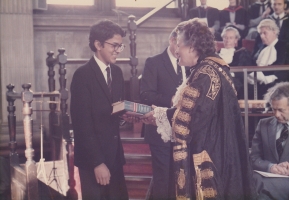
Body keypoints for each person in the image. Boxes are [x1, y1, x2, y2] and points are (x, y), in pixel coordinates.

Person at [141, 18, 256, 200]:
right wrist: (160, 114)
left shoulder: (205, 74)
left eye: (179, 45)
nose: (177, 50)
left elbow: (190, 119)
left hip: (211, 155)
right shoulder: (213, 68)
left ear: (192, 47)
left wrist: (159, 115)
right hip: (219, 150)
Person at [70, 19, 128, 200]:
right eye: (114, 45)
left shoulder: (117, 73)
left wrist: (126, 116)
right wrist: (98, 163)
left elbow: (113, 111)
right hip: (93, 161)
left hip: (115, 158)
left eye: (121, 46)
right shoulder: (82, 75)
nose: (118, 50)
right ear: (98, 44)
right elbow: (82, 125)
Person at [140, 26, 186, 200]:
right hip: (160, 130)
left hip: (183, 130)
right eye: (181, 44)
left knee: (180, 179)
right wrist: (172, 100)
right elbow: (145, 95)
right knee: (163, 180)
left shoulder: (190, 64)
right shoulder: (154, 62)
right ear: (172, 40)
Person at [250, 82, 289, 200]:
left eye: (281, 110)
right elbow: (253, 159)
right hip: (267, 179)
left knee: (256, 183)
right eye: (273, 109)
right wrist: (271, 167)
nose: (276, 114)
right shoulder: (263, 125)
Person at [250, 19, 288, 99]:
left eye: (265, 33)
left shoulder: (285, 46)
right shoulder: (260, 48)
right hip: (257, 82)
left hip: (277, 82)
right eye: (260, 33)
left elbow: (285, 69)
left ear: (274, 32)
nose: (262, 36)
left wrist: (271, 78)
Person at [219, 26, 252, 99]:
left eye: (231, 38)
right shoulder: (216, 54)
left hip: (235, 83)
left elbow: (242, 73)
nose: (227, 40)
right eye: (225, 37)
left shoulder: (242, 52)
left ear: (236, 40)